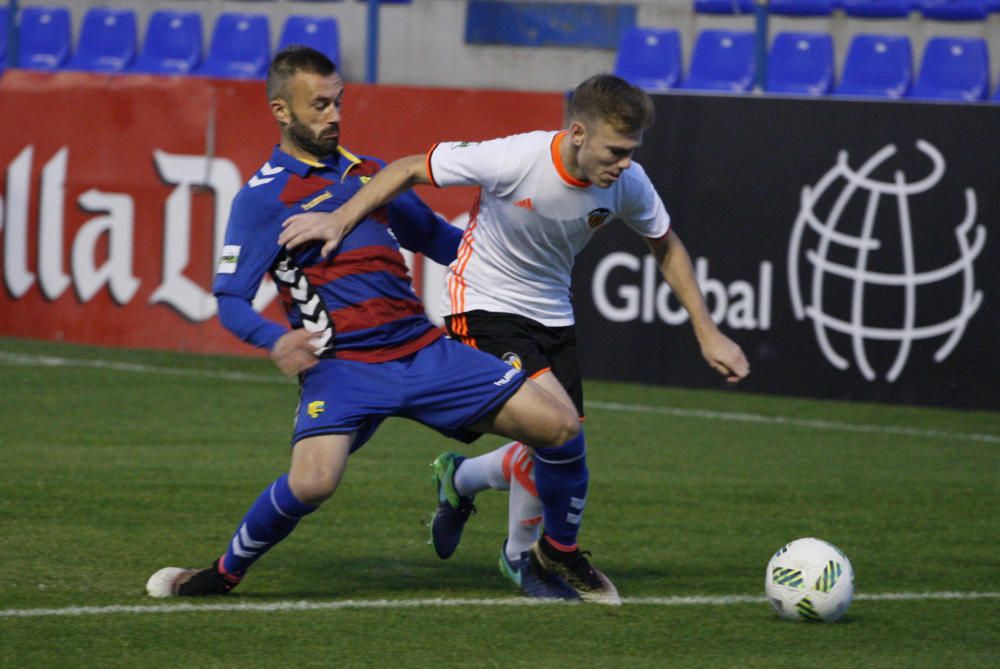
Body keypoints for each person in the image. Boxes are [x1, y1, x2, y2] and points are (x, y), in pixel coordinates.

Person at [145, 46, 618, 604]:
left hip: (423, 351)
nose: (333, 114)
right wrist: (277, 339)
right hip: (343, 368)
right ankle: (222, 573)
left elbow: (445, 243)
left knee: (560, 426)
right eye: (319, 104)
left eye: (338, 101)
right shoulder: (261, 198)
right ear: (280, 110)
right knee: (314, 481)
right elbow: (229, 300)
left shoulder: (368, 175)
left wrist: (514, 261)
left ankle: (543, 550)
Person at [278, 74, 750, 596]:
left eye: (631, 151)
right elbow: (410, 168)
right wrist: (338, 221)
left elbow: (668, 246)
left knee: (554, 442)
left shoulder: (628, 183)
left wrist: (708, 334)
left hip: (552, 315)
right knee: (559, 429)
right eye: (615, 151)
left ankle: (459, 481)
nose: (623, 163)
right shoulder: (515, 158)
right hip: (482, 304)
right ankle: (532, 559)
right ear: (577, 133)